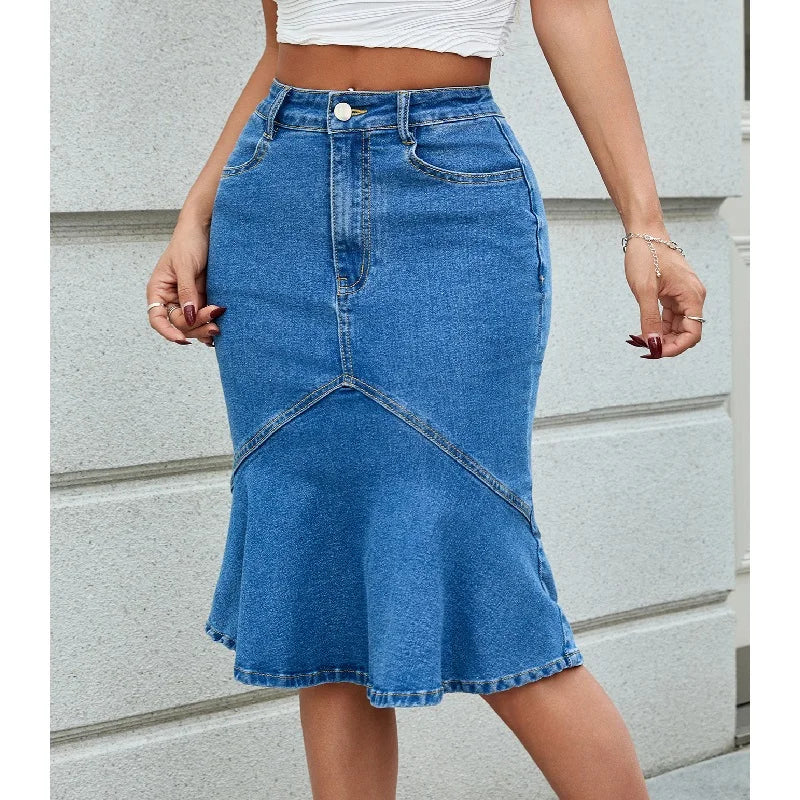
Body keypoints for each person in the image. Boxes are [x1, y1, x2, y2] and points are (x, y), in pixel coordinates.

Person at [145, 2, 706, 798]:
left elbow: (574, 11)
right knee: (323, 566)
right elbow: (287, 40)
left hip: (448, 190)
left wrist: (646, 229)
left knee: (485, 552)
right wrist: (195, 211)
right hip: (274, 191)